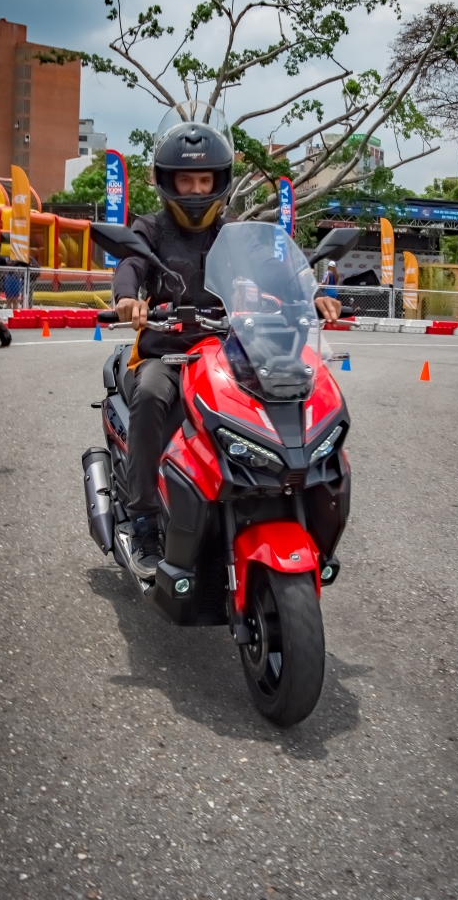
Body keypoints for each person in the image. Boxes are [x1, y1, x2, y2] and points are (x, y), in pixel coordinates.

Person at [112, 107, 341, 580]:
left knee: (283, 396)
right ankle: (144, 518)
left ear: (220, 179)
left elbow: (274, 267)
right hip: (167, 350)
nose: (196, 191)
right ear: (166, 181)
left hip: (228, 350)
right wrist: (125, 300)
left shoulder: (233, 231)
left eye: (204, 180)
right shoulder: (150, 229)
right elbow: (130, 267)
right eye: (186, 181)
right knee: (153, 394)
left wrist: (311, 294)